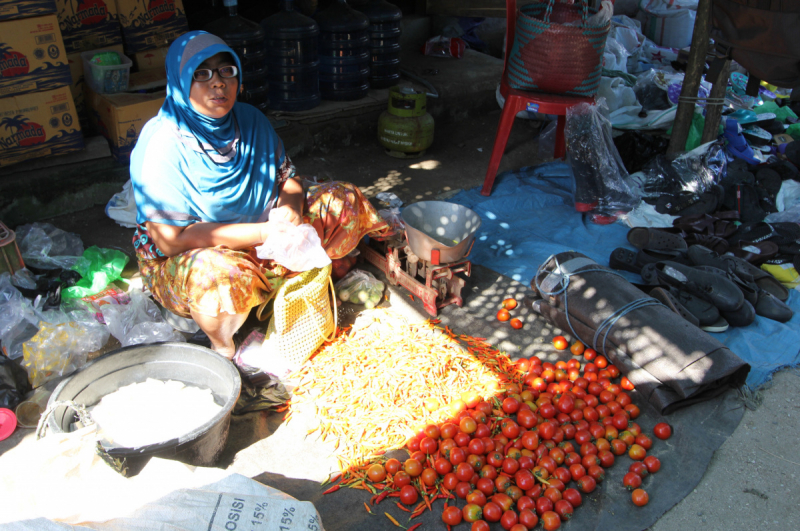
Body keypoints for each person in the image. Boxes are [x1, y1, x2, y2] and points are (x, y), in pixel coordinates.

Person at [130, 31, 390, 358]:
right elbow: (171, 240)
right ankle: (222, 345)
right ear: (180, 80)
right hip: (199, 254)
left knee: (343, 199)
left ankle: (291, 283)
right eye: (202, 73)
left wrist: (291, 211)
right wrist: (263, 231)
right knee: (215, 276)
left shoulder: (250, 120)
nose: (218, 83)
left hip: (269, 238)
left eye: (227, 70)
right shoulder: (162, 145)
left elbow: (289, 179)